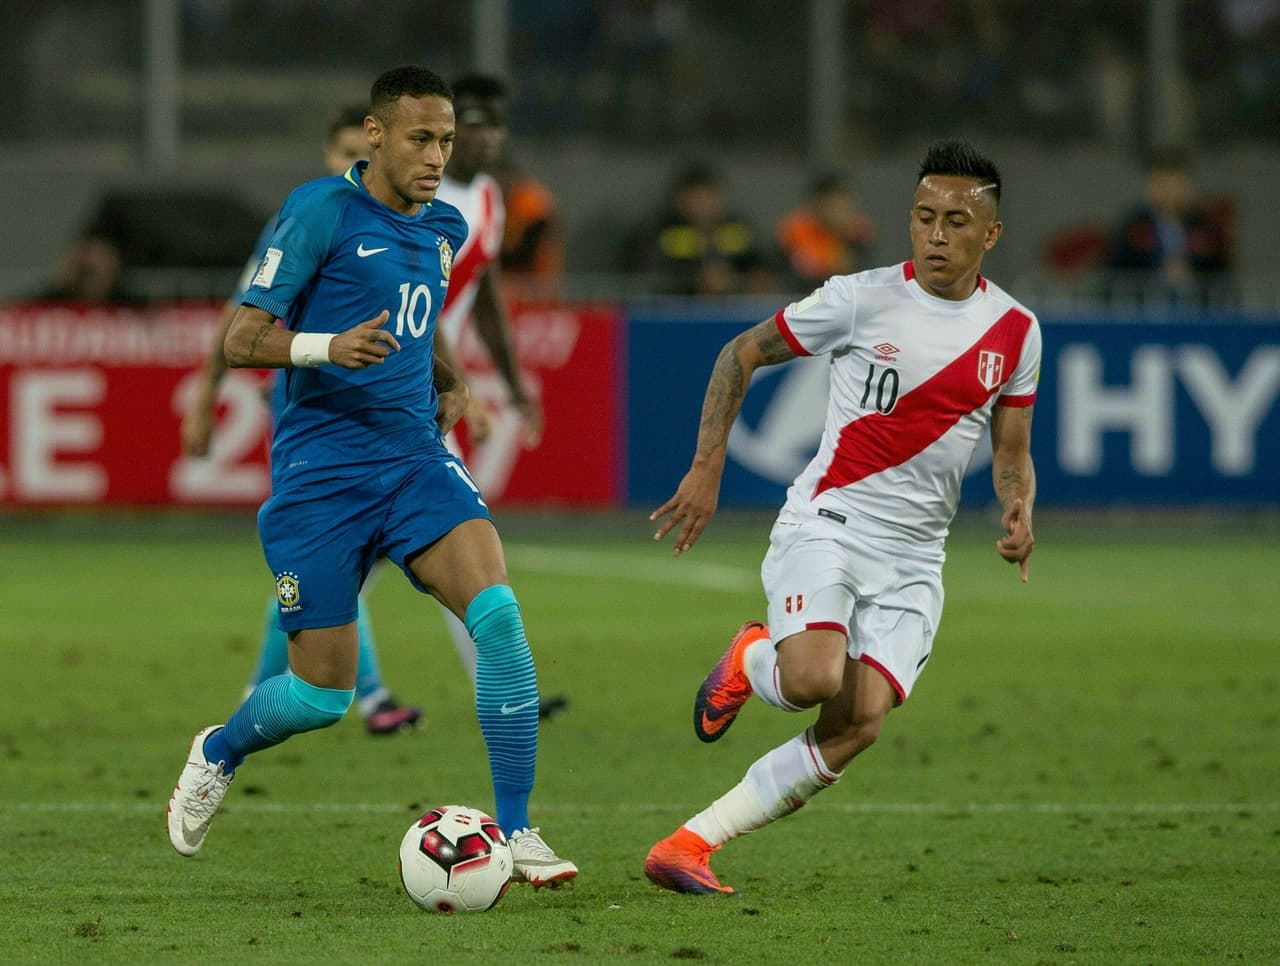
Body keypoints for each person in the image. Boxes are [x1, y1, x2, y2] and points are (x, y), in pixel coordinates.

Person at [166, 65, 577, 888]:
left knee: (496, 616)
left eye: (447, 142)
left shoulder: (445, 225)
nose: (436, 156)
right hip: (321, 478)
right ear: (376, 133)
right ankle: (219, 748)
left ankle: (522, 829)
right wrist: (325, 347)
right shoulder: (317, 210)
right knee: (322, 697)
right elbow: (245, 337)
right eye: (422, 139)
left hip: (415, 461)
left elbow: (420, 313)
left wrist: (451, 381)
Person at [643, 140, 1039, 895]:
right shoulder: (859, 298)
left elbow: (1011, 448)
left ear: (990, 234)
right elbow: (740, 353)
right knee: (813, 679)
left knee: (857, 725)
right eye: (924, 217)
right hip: (831, 524)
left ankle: (688, 845)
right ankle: (754, 657)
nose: (936, 235)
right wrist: (706, 467)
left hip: (917, 559)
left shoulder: (1017, 332)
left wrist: (1019, 507)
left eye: (957, 222)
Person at [180, 103, 423, 736]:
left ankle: (269, 692)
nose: (355, 166)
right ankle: (368, 697)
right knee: (337, 565)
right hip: (312, 419)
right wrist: (204, 400)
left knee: (337, 571)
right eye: (346, 155)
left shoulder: (409, 223)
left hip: (382, 423)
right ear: (330, 155)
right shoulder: (306, 219)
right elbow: (240, 322)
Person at [427, 71, 567, 721]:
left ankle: (506, 691)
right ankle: (508, 690)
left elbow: (482, 295)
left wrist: (511, 387)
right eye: (473, 123)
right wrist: (463, 388)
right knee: (451, 545)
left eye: (495, 124)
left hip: (431, 399)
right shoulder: (419, 201)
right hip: (407, 392)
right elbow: (415, 314)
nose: (487, 136)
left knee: (447, 547)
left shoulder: (487, 198)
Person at [622, 162, 773, 296]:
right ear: (681, 199)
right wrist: (696, 283)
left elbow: (760, 268)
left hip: (733, 312)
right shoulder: (661, 232)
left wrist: (745, 282)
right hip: (677, 314)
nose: (704, 204)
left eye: (710, 196)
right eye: (697, 196)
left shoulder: (738, 229)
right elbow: (647, 280)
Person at [1105, 148, 1232, 306]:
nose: (1168, 192)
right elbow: (1112, 275)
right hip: (1142, 313)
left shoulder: (1206, 226)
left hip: (1197, 315)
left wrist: (1191, 275)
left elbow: (1223, 276)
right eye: (1161, 183)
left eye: (1174, 183)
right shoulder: (1134, 225)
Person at [775, 173, 877, 292]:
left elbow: (860, 275)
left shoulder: (859, 232)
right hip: (801, 298)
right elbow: (800, 276)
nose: (841, 210)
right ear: (818, 203)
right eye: (834, 204)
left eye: (845, 203)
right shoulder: (796, 229)